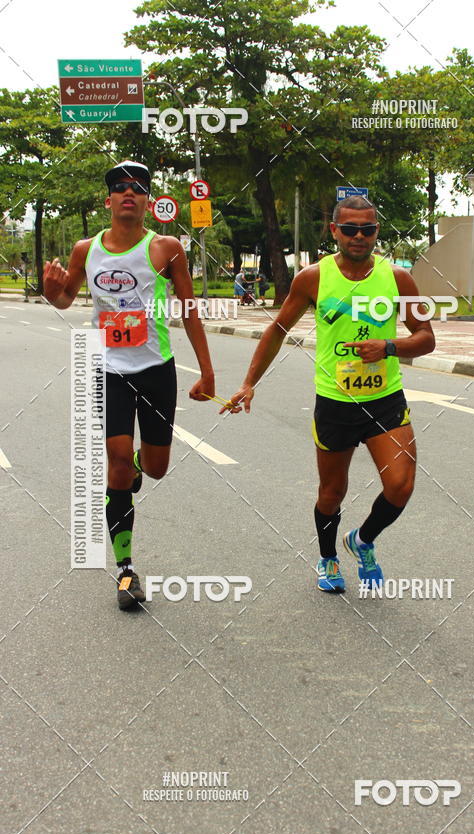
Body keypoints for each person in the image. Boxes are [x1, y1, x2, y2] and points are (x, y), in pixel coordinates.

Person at [221, 196, 435, 592]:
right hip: (335, 403)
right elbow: (277, 330)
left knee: (401, 485)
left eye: (367, 229)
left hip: (384, 398)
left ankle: (362, 540)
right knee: (332, 492)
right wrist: (249, 382)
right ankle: (328, 558)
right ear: (334, 230)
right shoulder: (312, 278)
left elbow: (426, 339)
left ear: (376, 233)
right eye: (350, 229)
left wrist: (388, 347)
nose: (359, 236)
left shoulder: (399, 279)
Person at [43, 161, 215, 610]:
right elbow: (64, 299)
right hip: (110, 370)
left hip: (157, 368)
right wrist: (50, 292)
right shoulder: (87, 250)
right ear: (109, 200)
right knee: (116, 461)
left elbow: (190, 309)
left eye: (137, 188)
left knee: (153, 468)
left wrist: (207, 371)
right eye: (120, 188)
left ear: (147, 201)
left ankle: (137, 466)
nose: (128, 194)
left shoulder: (165, 248)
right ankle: (125, 571)